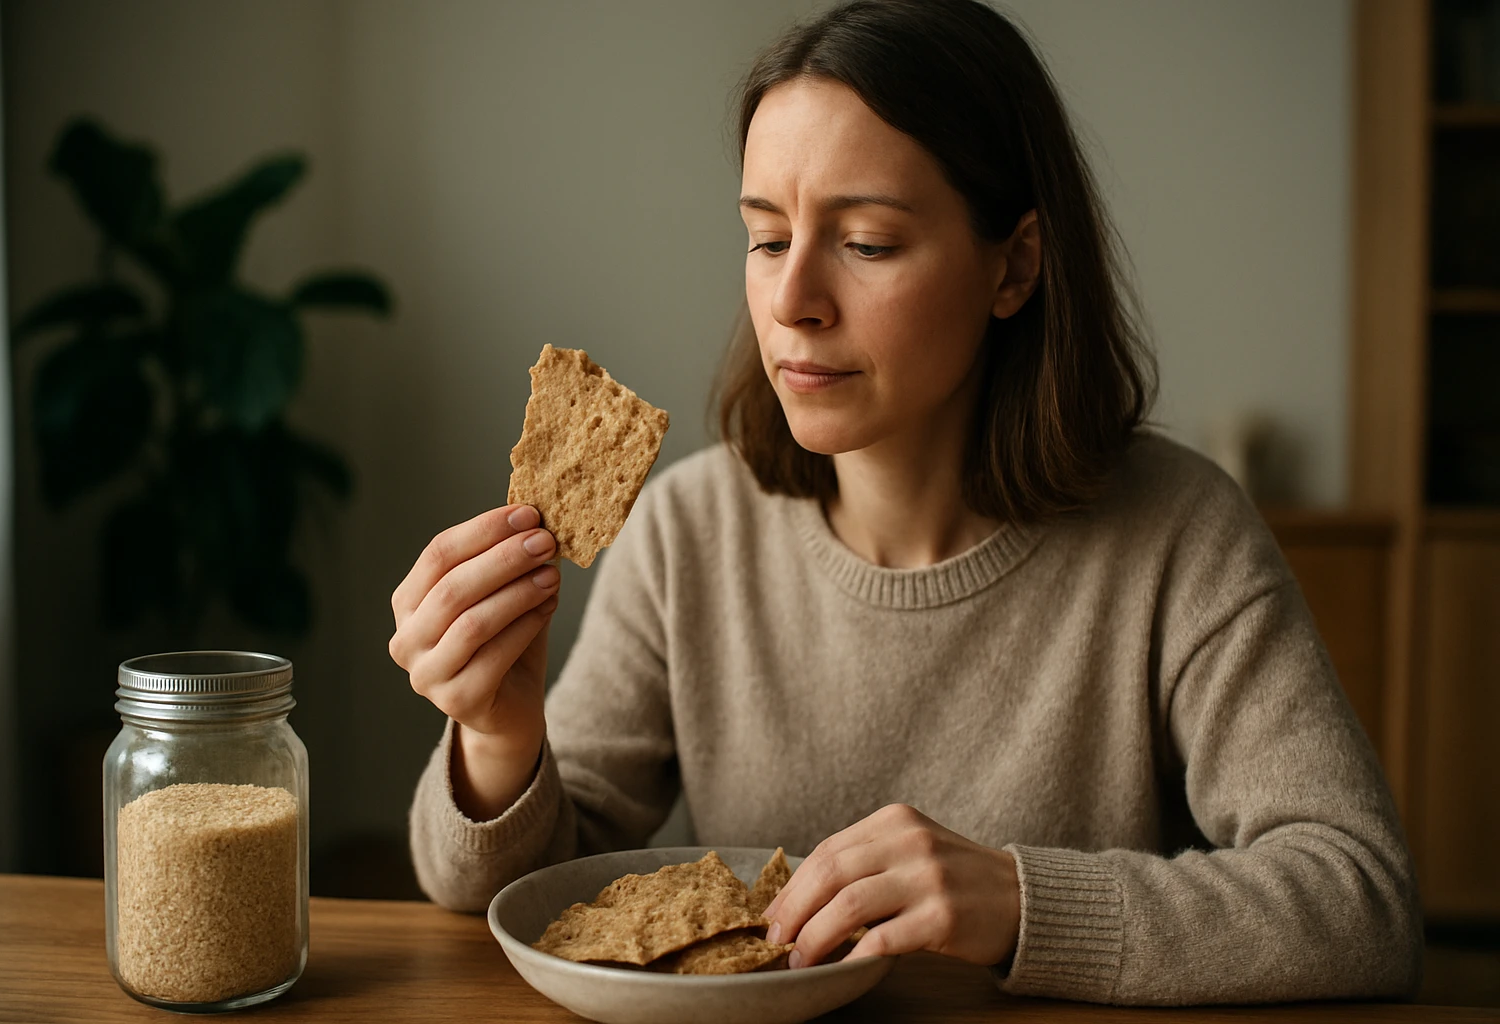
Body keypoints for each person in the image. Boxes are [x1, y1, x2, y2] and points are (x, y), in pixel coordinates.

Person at [389, 0, 1420, 1005]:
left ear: (1014, 263)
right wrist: (498, 737)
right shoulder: (687, 531)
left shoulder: (1178, 535)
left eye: (867, 242)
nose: (793, 299)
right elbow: (507, 895)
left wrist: (1022, 901)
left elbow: (1363, 901)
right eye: (764, 236)